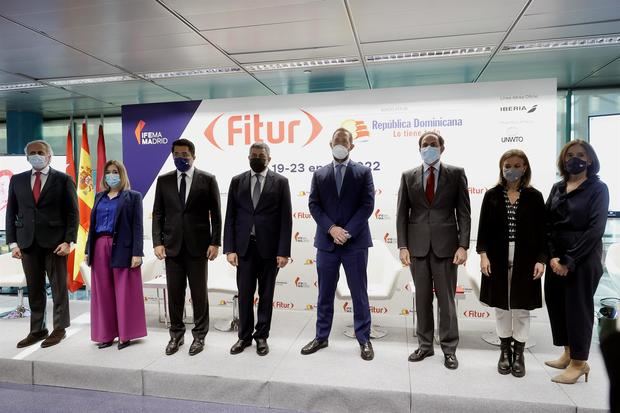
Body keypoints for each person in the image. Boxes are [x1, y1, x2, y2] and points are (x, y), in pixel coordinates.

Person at [396, 131, 471, 370]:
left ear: (442, 148)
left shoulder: (456, 174)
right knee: (422, 298)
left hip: (447, 247)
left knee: (447, 302)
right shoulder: (408, 176)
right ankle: (425, 346)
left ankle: (449, 349)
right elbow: (401, 214)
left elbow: (464, 213)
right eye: (425, 145)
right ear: (419, 148)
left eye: (434, 144)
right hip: (417, 247)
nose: (429, 147)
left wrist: (463, 245)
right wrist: (402, 245)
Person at [301, 128, 375, 361]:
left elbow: (367, 205)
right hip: (327, 244)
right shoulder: (320, 174)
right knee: (324, 293)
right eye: (336, 142)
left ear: (352, 146)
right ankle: (321, 337)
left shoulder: (363, 172)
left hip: (355, 244)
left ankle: (364, 339)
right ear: (330, 144)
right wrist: (331, 229)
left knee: (359, 293)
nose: (340, 145)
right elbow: (314, 205)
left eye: (344, 142)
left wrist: (347, 232)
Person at [476, 149, 546, 377]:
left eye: (517, 165)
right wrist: (483, 254)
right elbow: (483, 229)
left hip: (526, 257)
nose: (512, 169)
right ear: (501, 167)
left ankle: (519, 354)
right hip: (496, 256)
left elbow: (543, 233)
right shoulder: (492, 195)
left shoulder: (535, 196)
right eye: (508, 165)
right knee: (501, 307)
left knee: (522, 308)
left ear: (525, 168)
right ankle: (504, 352)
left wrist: (541, 259)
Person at [544, 139, 609, 384]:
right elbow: (547, 224)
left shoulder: (598, 189)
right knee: (558, 306)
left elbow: (595, 229)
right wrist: (551, 256)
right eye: (570, 154)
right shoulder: (557, 188)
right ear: (563, 159)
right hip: (555, 258)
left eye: (581, 154)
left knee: (578, 309)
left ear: (590, 160)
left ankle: (580, 363)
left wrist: (568, 260)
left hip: (582, 259)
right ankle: (568, 353)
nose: (575, 158)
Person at [6, 140, 78, 348]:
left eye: (40, 152)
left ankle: (59, 329)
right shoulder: (17, 180)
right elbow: (12, 212)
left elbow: (73, 213)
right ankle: (37, 330)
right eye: (32, 153)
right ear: (27, 156)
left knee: (58, 289)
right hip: (27, 243)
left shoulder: (64, 180)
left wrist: (68, 241)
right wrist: (13, 243)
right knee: (35, 289)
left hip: (56, 244)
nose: (36, 155)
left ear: (49, 156)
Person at [152, 138, 222, 356]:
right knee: (174, 294)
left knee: (199, 294)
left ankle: (199, 336)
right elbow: (158, 214)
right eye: (177, 154)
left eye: (185, 155)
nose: (180, 158)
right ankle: (176, 335)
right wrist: (157, 242)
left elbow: (217, 216)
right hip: (172, 247)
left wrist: (215, 242)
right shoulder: (164, 181)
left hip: (199, 247)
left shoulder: (208, 179)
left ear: (193, 156)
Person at [224, 143, 292, 356]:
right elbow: (231, 217)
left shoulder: (281, 182)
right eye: (253, 155)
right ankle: (243, 337)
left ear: (269, 158)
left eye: (261, 156)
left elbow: (285, 220)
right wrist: (230, 248)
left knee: (266, 295)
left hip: (270, 250)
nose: (257, 158)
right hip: (244, 249)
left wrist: (283, 251)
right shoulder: (237, 181)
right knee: (244, 294)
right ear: (248, 157)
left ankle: (261, 336)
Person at [85, 160, 147, 350]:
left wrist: (137, 253)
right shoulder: (98, 197)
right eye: (108, 172)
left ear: (122, 175)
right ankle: (106, 335)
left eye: (115, 172)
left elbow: (137, 226)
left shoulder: (133, 197)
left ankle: (126, 335)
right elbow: (92, 226)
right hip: (99, 247)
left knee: (124, 293)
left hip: (123, 248)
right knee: (102, 293)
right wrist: (89, 249)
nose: (111, 175)